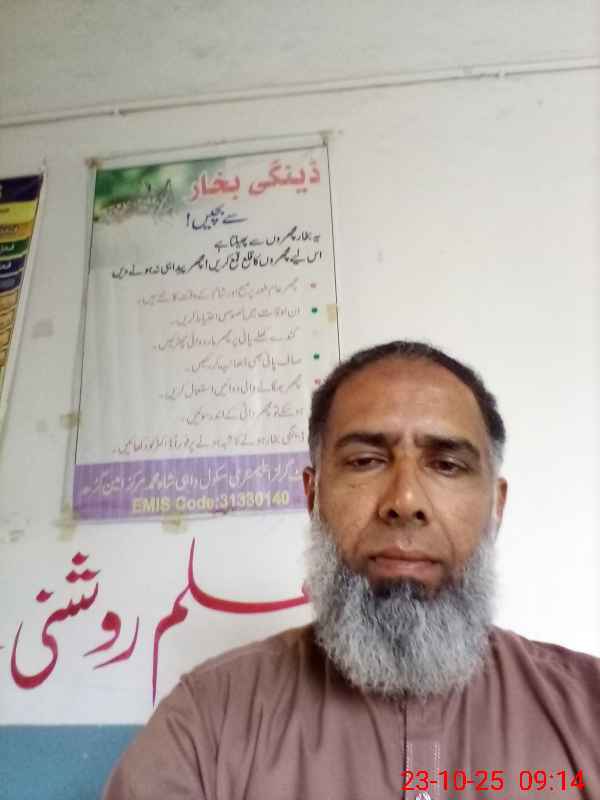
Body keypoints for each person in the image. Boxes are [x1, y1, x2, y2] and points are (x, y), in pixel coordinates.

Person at [103, 340, 600, 800]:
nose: (405, 500)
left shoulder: (588, 711)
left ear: (497, 505)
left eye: (446, 465)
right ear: (312, 495)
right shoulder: (206, 722)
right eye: (365, 461)